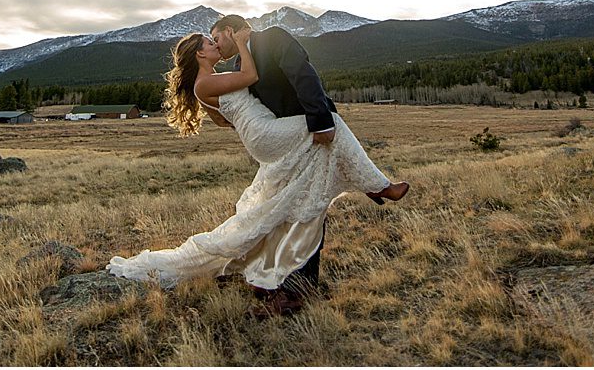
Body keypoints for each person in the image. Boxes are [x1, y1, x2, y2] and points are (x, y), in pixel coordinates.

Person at [107, 23, 408, 316]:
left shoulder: (209, 82)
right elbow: (250, 75)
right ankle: (378, 185)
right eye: (210, 43)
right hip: (264, 133)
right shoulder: (210, 80)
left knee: (310, 172)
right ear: (200, 54)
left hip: (261, 132)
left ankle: (283, 275)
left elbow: (225, 120)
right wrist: (240, 42)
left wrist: (239, 113)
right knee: (332, 123)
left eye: (216, 39)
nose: (215, 46)